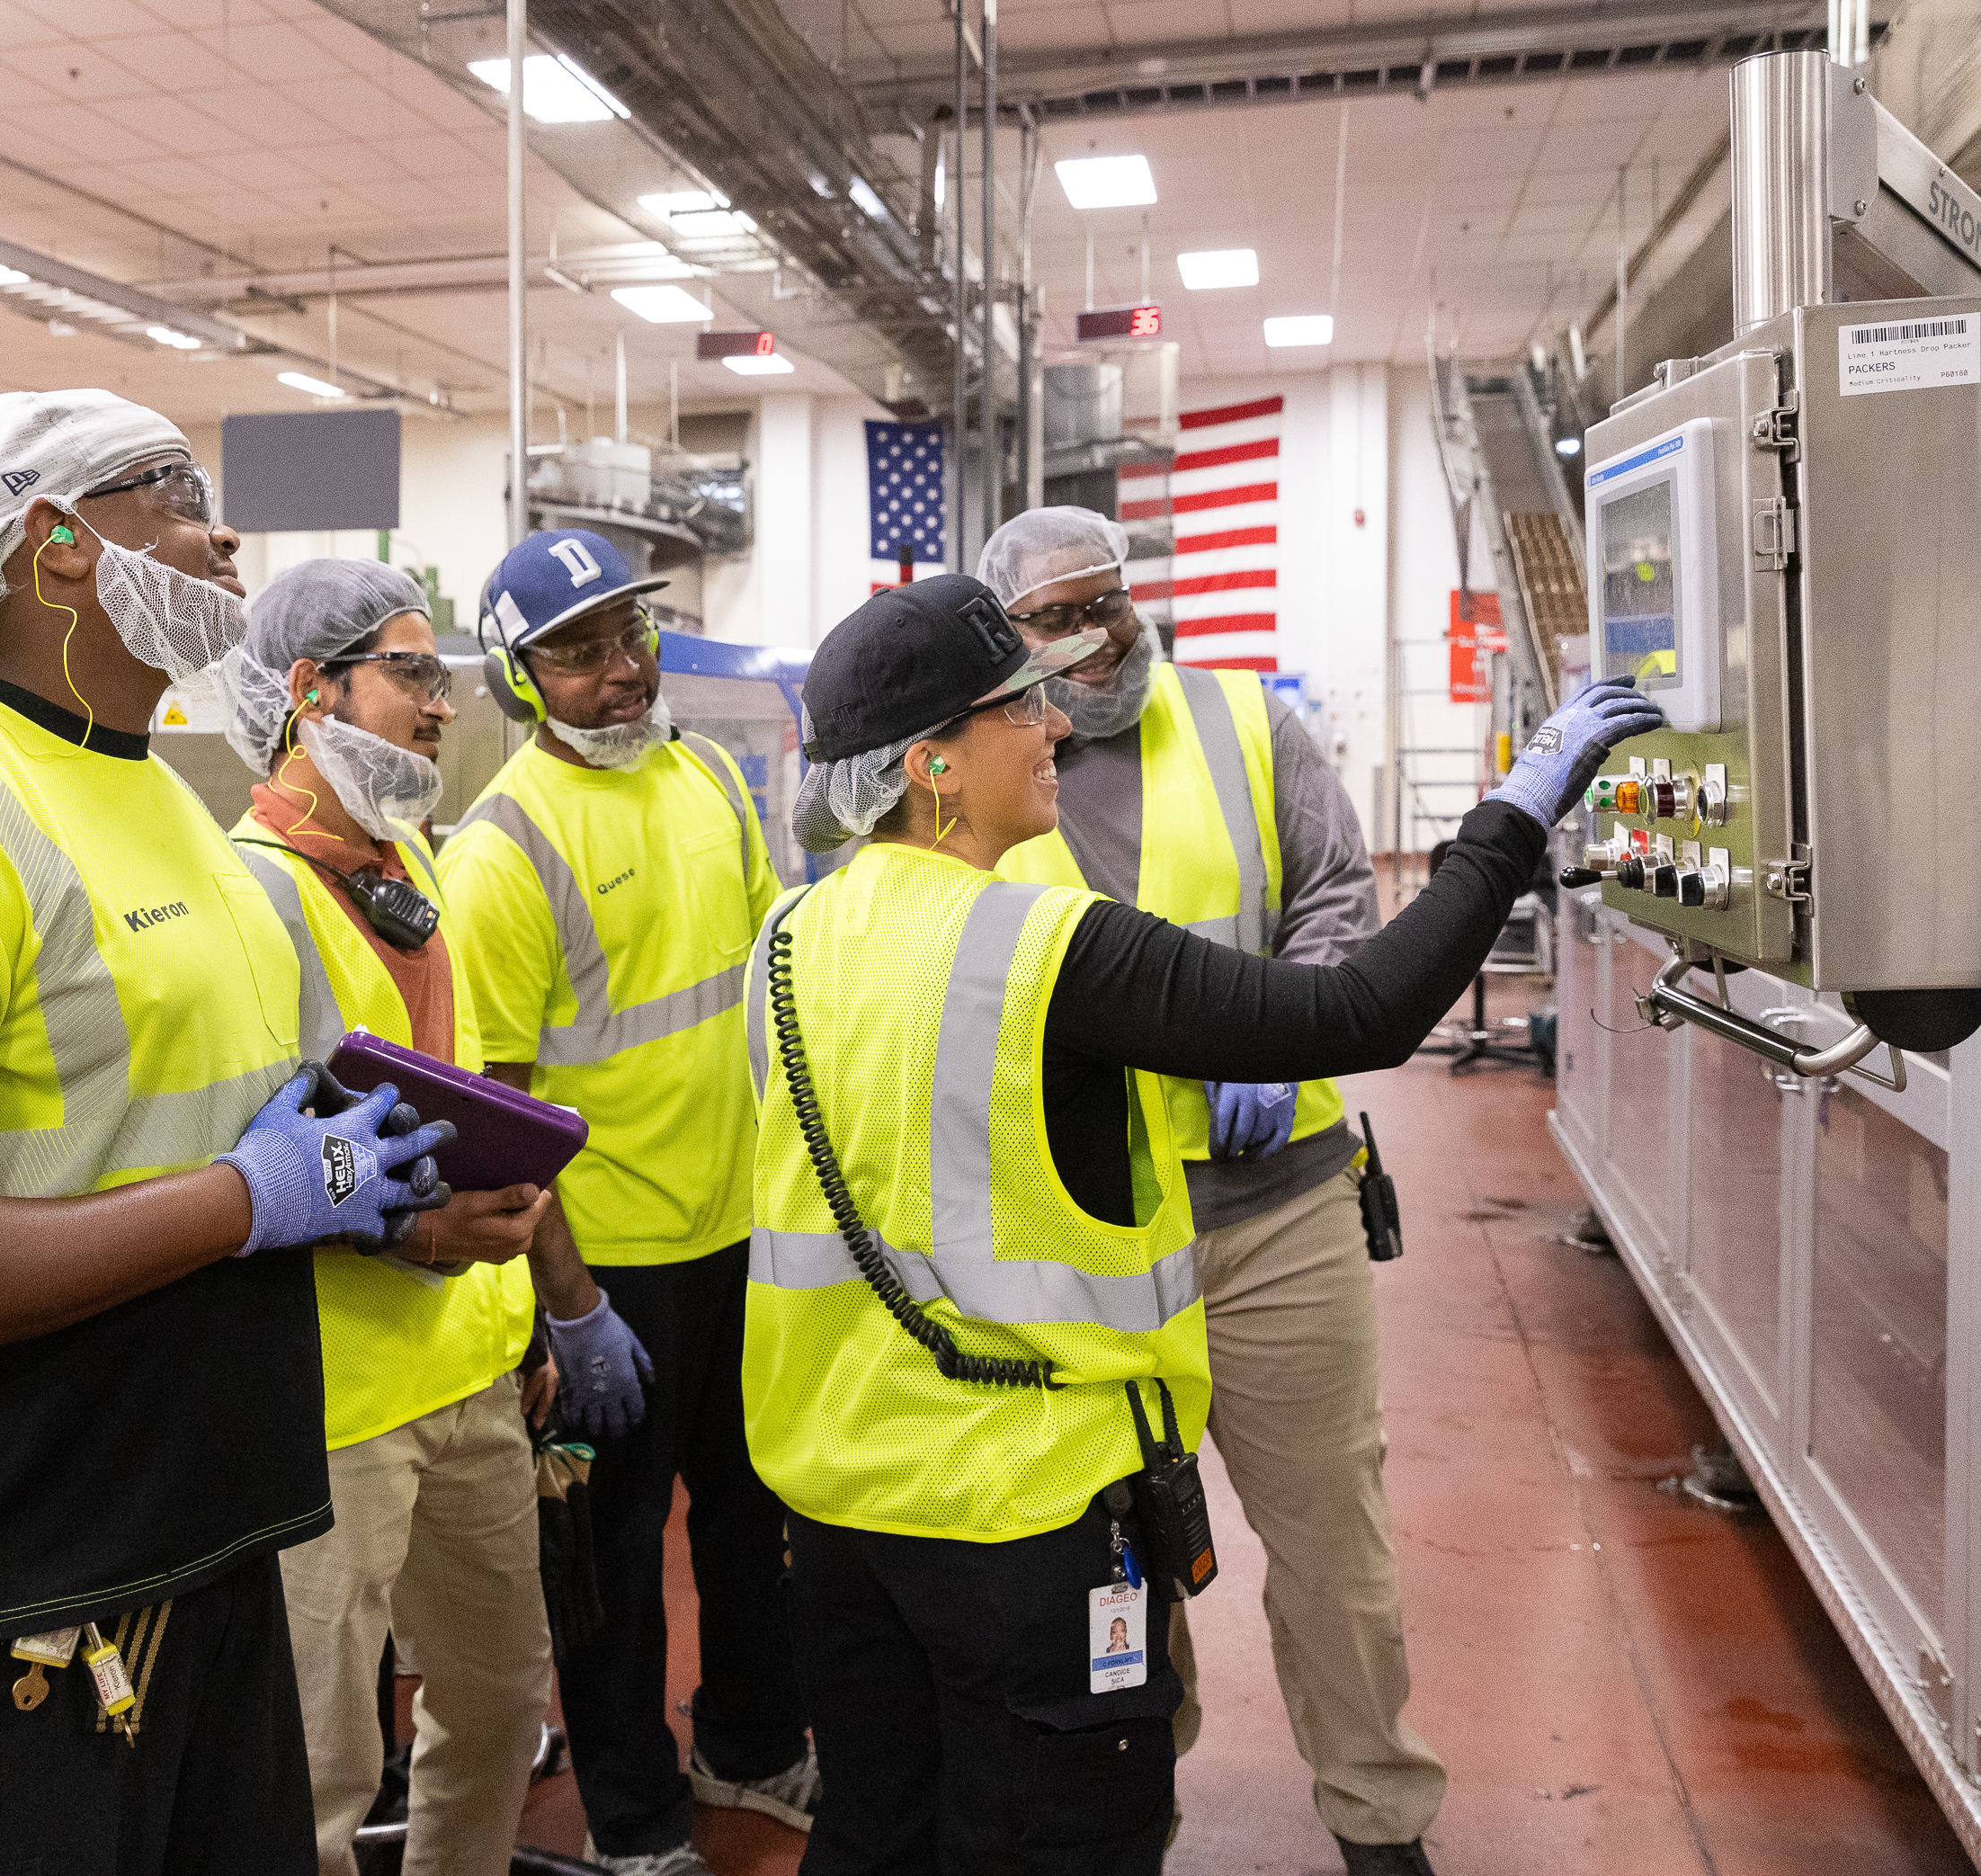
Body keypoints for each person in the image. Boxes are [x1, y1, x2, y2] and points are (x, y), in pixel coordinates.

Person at [746, 574, 1661, 1875]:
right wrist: (1513, 816)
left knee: (879, 1835)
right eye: (1018, 706)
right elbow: (1358, 1016)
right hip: (1019, 1522)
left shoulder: (786, 937)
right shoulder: (1048, 946)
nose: (1056, 726)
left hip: (841, 1522)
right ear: (930, 766)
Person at [0, 390, 450, 1876]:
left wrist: (386, 1195)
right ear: (56, 545)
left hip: (212, 1532)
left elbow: (187, 1137)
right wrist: (246, 1201)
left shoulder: (174, 814)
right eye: (174, 488)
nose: (226, 526)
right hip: (6, 1594)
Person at [978, 508, 1444, 1874]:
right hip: (1096, 1234)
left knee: (1331, 1540)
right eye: (1061, 615)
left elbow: (1337, 893)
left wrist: (1281, 1021)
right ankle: (1134, 1811)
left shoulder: (1246, 718)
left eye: (1110, 600)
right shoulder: (992, 771)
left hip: (1278, 1205)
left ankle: (1380, 1819)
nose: (1101, 630)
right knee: (1116, 1558)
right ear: (1012, 643)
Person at [439, 529, 810, 1876]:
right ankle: (640, 1819)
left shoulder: (707, 774)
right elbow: (501, 1110)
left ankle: (757, 1745)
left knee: (755, 1515)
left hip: (743, 1238)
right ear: (519, 675)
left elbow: (771, 976)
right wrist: (571, 1304)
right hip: (615, 1274)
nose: (622, 669)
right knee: (606, 1565)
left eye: (631, 636)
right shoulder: (503, 852)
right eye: (580, 650)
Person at [220, 558, 586, 1876]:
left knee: (497, 1697)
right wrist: (406, 1232)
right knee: (320, 1759)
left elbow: (473, 1078)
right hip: (340, 1403)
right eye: (412, 673)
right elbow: (233, 1163)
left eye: (444, 677)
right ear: (311, 690)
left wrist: (535, 1308)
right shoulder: (248, 892)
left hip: (473, 1375)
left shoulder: (412, 863)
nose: (441, 705)